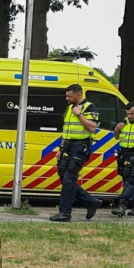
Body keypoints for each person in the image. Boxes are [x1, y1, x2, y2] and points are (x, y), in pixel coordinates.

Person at [49, 83, 100, 222]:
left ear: (78, 95)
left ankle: (65, 213)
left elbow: (92, 128)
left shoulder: (89, 107)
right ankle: (90, 202)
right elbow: (66, 130)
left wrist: (79, 115)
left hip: (80, 147)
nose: (67, 98)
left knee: (69, 179)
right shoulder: (69, 108)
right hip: (68, 147)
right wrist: (61, 148)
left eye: (69, 96)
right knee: (64, 178)